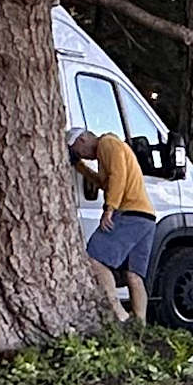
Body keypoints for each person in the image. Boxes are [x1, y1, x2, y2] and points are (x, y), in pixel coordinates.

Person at [69, 123, 160, 323]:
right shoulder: (107, 153)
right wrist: (80, 167)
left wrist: (109, 209)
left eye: (78, 152)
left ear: (82, 140)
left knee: (95, 258)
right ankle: (140, 324)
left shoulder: (108, 144)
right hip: (146, 217)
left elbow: (118, 176)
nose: (82, 156)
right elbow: (105, 183)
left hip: (130, 213)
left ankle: (120, 315)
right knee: (134, 275)